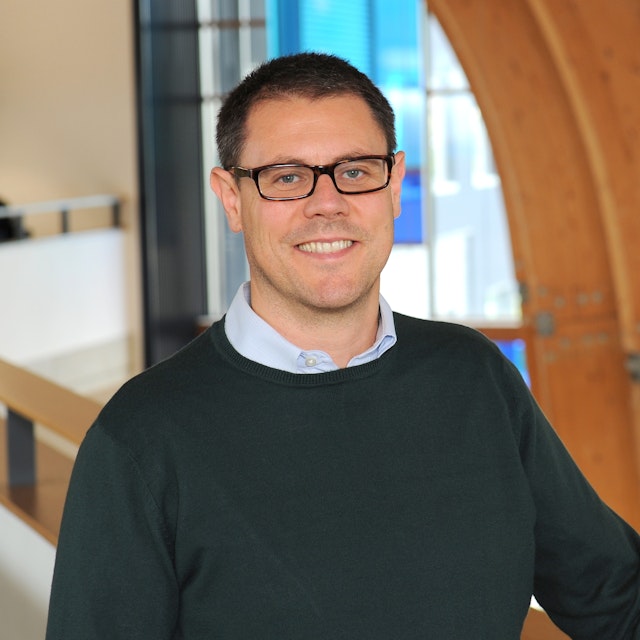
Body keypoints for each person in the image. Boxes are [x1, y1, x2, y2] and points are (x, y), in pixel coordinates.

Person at [46, 52, 640, 639]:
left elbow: (615, 595)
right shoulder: (140, 438)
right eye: (286, 178)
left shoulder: (475, 377)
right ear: (231, 199)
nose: (327, 203)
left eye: (354, 171)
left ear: (395, 185)